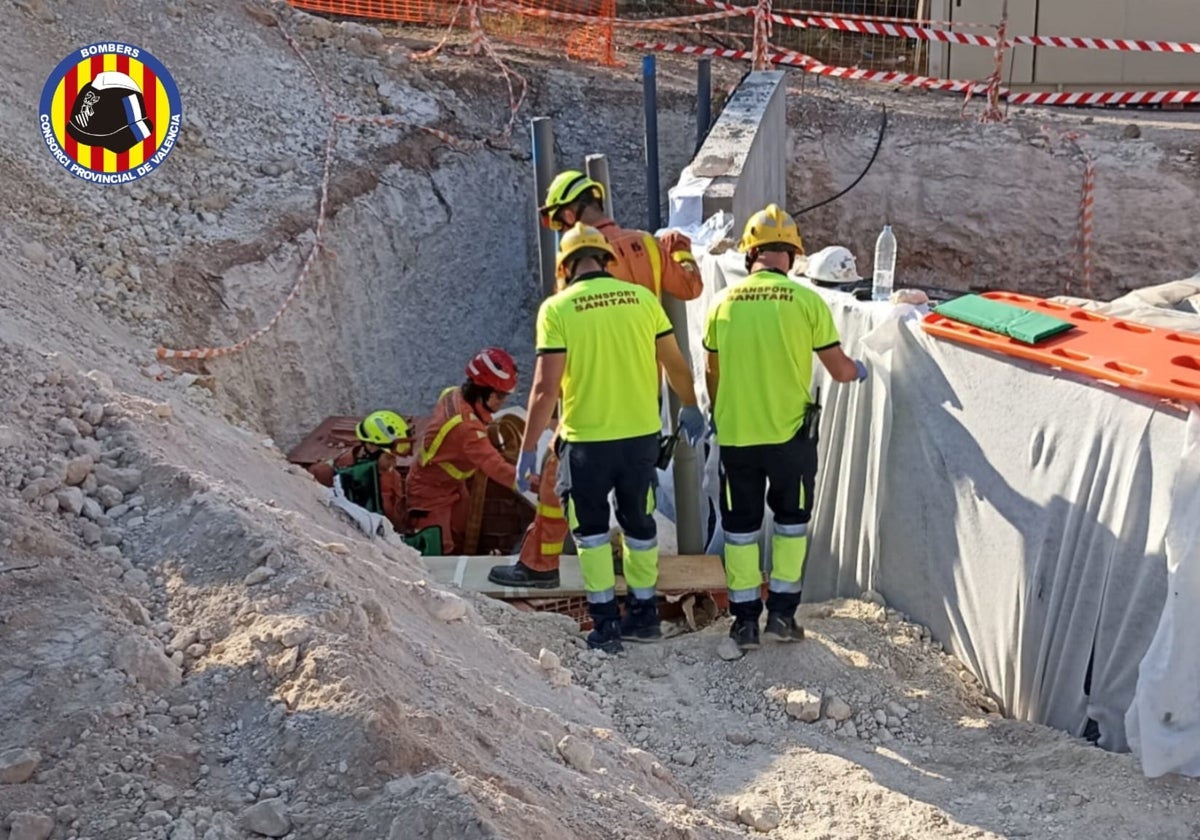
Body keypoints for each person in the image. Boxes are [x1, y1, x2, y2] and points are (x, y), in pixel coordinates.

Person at [488, 170, 704, 590]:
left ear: (571, 213)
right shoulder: (651, 246)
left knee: (559, 478)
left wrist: (531, 440)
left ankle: (542, 565)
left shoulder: (572, 273)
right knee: (635, 498)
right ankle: (636, 581)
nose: (560, 230)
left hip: (588, 396)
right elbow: (691, 287)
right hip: (643, 396)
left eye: (559, 221)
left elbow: (554, 363)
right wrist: (682, 251)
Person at [516, 223, 706, 653]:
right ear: (608, 260)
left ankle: (604, 626)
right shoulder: (642, 300)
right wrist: (690, 406)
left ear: (565, 267)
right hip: (640, 441)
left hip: (586, 445)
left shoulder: (558, 309)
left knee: (592, 534)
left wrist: (528, 448)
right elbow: (676, 363)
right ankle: (643, 616)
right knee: (640, 527)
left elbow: (546, 388)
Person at [703, 204, 868, 656]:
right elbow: (839, 370)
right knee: (791, 524)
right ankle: (781, 615)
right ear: (792, 257)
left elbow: (711, 374)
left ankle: (743, 625)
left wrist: (722, 413)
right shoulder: (807, 301)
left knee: (740, 530)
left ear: (749, 254)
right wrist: (862, 369)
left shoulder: (722, 303)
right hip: (791, 439)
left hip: (737, 438)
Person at [406, 348, 521, 555]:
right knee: (439, 548)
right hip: (429, 493)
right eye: (501, 395)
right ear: (482, 392)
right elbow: (496, 467)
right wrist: (533, 483)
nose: (504, 401)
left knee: (461, 532)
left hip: (451, 484)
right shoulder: (467, 428)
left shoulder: (454, 394)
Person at [308, 410, 410, 533]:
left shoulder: (393, 477)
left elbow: (397, 524)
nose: (393, 463)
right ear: (371, 447)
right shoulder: (326, 473)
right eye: (389, 457)